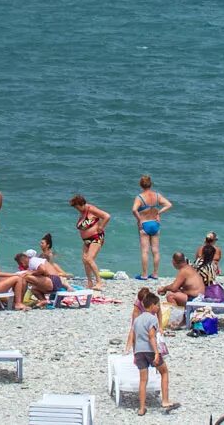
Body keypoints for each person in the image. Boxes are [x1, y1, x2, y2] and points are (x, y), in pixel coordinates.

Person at [124, 287, 178, 415]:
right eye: (157, 306)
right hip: (149, 350)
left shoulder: (137, 319)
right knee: (164, 372)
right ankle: (165, 400)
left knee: (143, 380)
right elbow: (151, 337)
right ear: (152, 305)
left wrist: (131, 349)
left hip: (138, 351)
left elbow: (133, 334)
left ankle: (141, 408)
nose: (159, 308)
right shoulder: (152, 319)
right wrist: (156, 353)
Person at [132, 175, 172, 280]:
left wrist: (139, 219)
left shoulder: (139, 197)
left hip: (144, 224)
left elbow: (134, 210)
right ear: (151, 184)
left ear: (141, 185)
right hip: (155, 224)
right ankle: (155, 274)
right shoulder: (157, 195)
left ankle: (144, 275)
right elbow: (168, 205)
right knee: (155, 250)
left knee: (145, 251)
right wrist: (159, 212)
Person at [71, 193, 111, 289]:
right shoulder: (82, 214)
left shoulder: (91, 209)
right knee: (85, 260)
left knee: (89, 259)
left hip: (96, 237)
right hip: (86, 241)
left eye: (77, 207)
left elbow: (107, 216)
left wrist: (101, 226)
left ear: (82, 204)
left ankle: (99, 282)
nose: (77, 209)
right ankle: (89, 282)